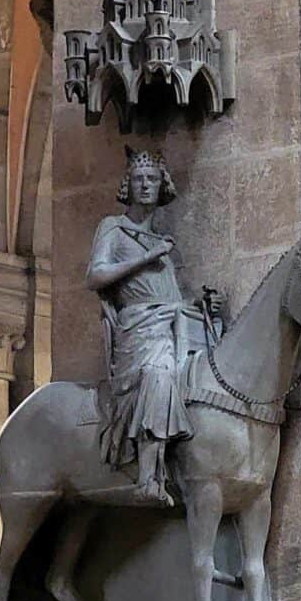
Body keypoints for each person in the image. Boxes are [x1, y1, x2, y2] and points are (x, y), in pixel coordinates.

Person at [86, 146, 220, 506]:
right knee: (159, 374)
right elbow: (96, 276)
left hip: (170, 322)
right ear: (127, 185)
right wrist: (146, 258)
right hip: (139, 327)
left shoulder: (162, 243)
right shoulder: (114, 228)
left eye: (152, 180)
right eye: (139, 179)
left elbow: (169, 297)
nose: (146, 185)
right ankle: (147, 477)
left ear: (163, 186)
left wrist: (201, 307)